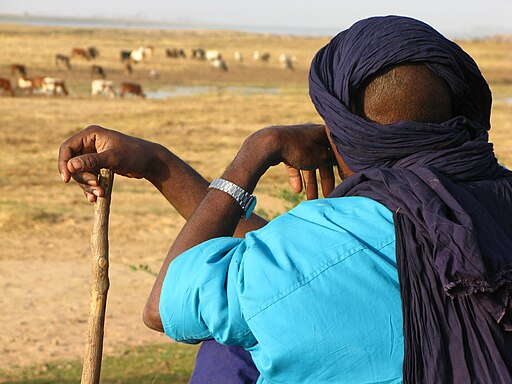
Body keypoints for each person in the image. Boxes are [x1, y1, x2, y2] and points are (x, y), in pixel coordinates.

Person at [58, 16, 512, 383]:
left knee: (229, 347)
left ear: (338, 131)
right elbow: (295, 263)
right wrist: (160, 165)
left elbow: (164, 306)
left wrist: (258, 151)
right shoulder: (496, 201)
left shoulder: (312, 251)